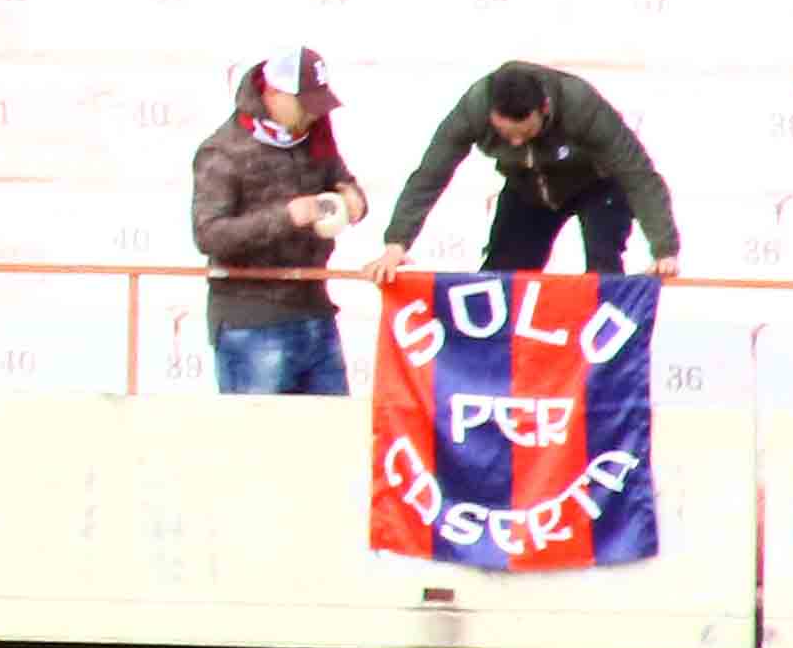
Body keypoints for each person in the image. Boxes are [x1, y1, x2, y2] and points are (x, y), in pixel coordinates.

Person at [376, 64, 681, 281]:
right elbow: (430, 175)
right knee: (501, 278)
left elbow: (638, 173)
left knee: (602, 274)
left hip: (597, 186)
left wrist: (665, 249)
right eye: (506, 135)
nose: (517, 141)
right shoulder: (473, 108)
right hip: (526, 188)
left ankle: (600, 367)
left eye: (525, 132)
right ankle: (497, 365)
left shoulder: (581, 105)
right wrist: (396, 243)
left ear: (544, 108)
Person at [192, 46, 365, 398]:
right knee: (258, 446)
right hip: (251, 322)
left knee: (332, 439)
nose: (314, 116)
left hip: (316, 311)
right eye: (305, 104)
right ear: (272, 94)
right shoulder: (222, 150)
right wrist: (287, 217)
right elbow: (208, 235)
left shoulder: (317, 137)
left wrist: (353, 200)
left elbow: (343, 180)